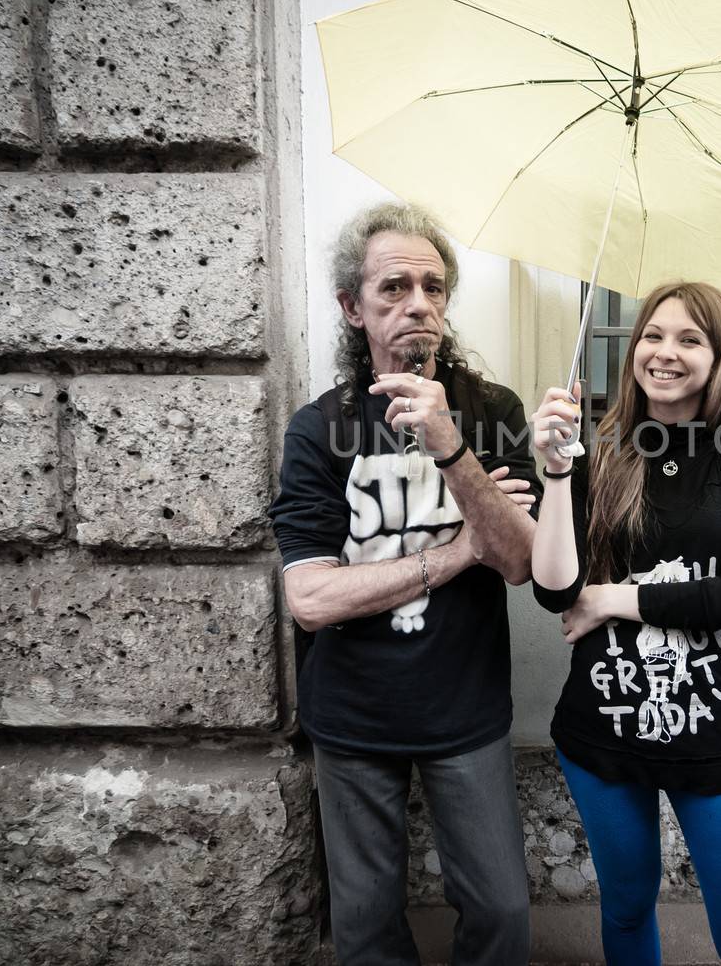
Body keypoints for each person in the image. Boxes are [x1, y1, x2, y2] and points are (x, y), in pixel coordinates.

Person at [267, 202, 538, 966]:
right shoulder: (320, 429)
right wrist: (455, 555)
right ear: (354, 308)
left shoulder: (491, 412)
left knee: (502, 913)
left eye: (434, 286)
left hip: (467, 708)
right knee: (365, 927)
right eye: (394, 288)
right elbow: (312, 599)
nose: (419, 303)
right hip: (352, 716)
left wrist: (452, 445)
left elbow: (519, 561)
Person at [529, 280, 721, 966]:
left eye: (689, 338)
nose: (664, 352)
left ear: (719, 356)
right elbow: (556, 590)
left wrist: (614, 598)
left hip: (715, 731)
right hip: (603, 729)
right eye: (653, 333)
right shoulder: (601, 450)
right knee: (624, 909)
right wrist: (557, 471)